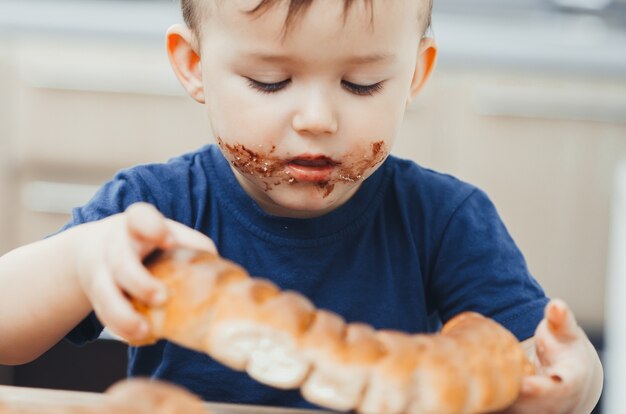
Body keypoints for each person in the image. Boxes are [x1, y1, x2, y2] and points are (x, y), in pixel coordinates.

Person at [0, 0, 602, 412]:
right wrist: (84, 260)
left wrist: (574, 383)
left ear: (415, 74)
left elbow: (523, 359)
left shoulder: (445, 220)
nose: (318, 119)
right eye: (270, 81)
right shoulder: (150, 211)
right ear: (195, 67)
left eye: (362, 84)